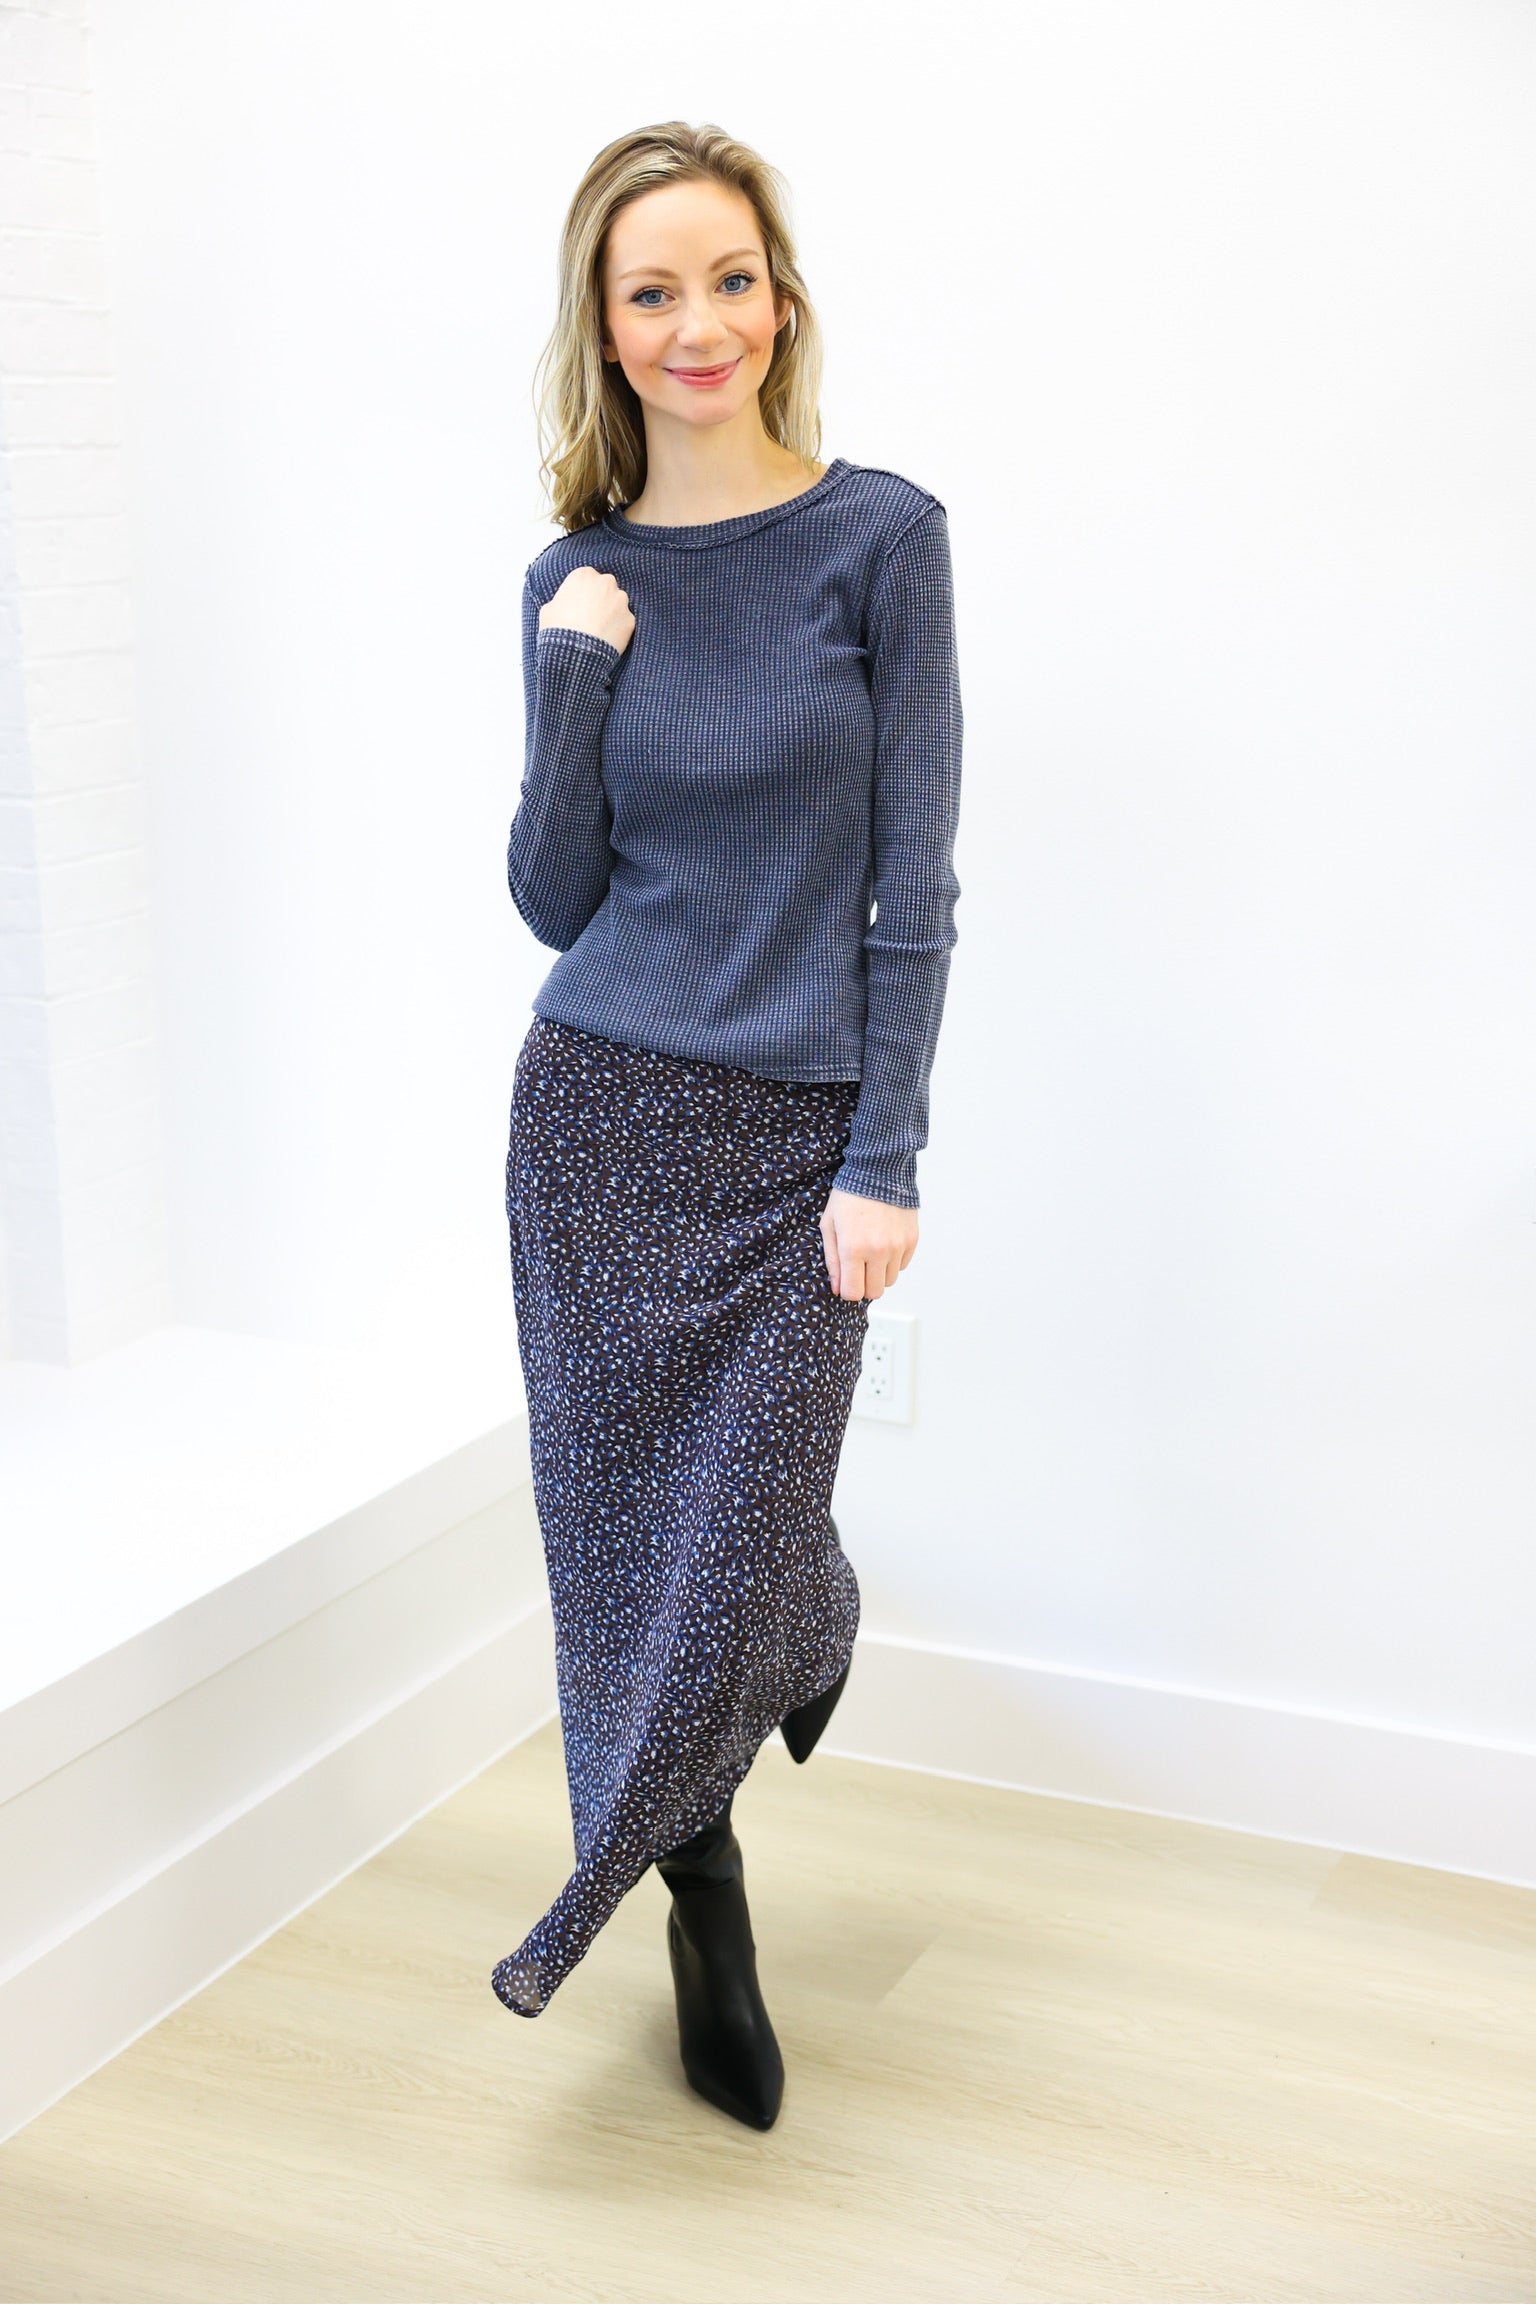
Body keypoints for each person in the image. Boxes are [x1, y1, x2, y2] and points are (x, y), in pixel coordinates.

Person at [490, 119, 963, 2132]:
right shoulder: (572, 573)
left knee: (746, 1523)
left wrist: (886, 1155)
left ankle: (799, 1624)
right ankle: (700, 1893)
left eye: (731, 277)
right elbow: (552, 889)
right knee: (623, 1560)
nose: (700, 324)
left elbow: (911, 880)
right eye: (652, 289)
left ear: (783, 295)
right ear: (604, 327)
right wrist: (572, 676)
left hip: (793, 1141)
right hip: (597, 1114)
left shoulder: (880, 536)